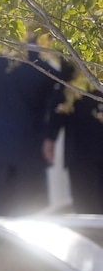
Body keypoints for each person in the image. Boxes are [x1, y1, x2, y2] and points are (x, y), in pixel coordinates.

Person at [0, 47, 59, 215]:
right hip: (32, 146)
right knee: (29, 208)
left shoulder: (2, 61)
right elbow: (55, 106)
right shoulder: (45, 65)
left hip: (0, 143)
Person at [44, 61, 103, 214]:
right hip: (81, 147)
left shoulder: (73, 53)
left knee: (87, 210)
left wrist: (50, 137)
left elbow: (62, 95)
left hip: (80, 147)